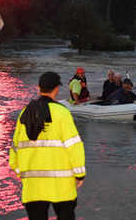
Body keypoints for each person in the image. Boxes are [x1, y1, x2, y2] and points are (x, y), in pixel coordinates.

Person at [9, 72, 86, 220]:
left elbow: (14, 151)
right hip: (61, 186)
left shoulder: (25, 113)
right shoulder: (62, 113)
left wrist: (23, 173)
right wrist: (79, 174)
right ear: (57, 88)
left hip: (33, 187)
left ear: (38, 87)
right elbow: (74, 147)